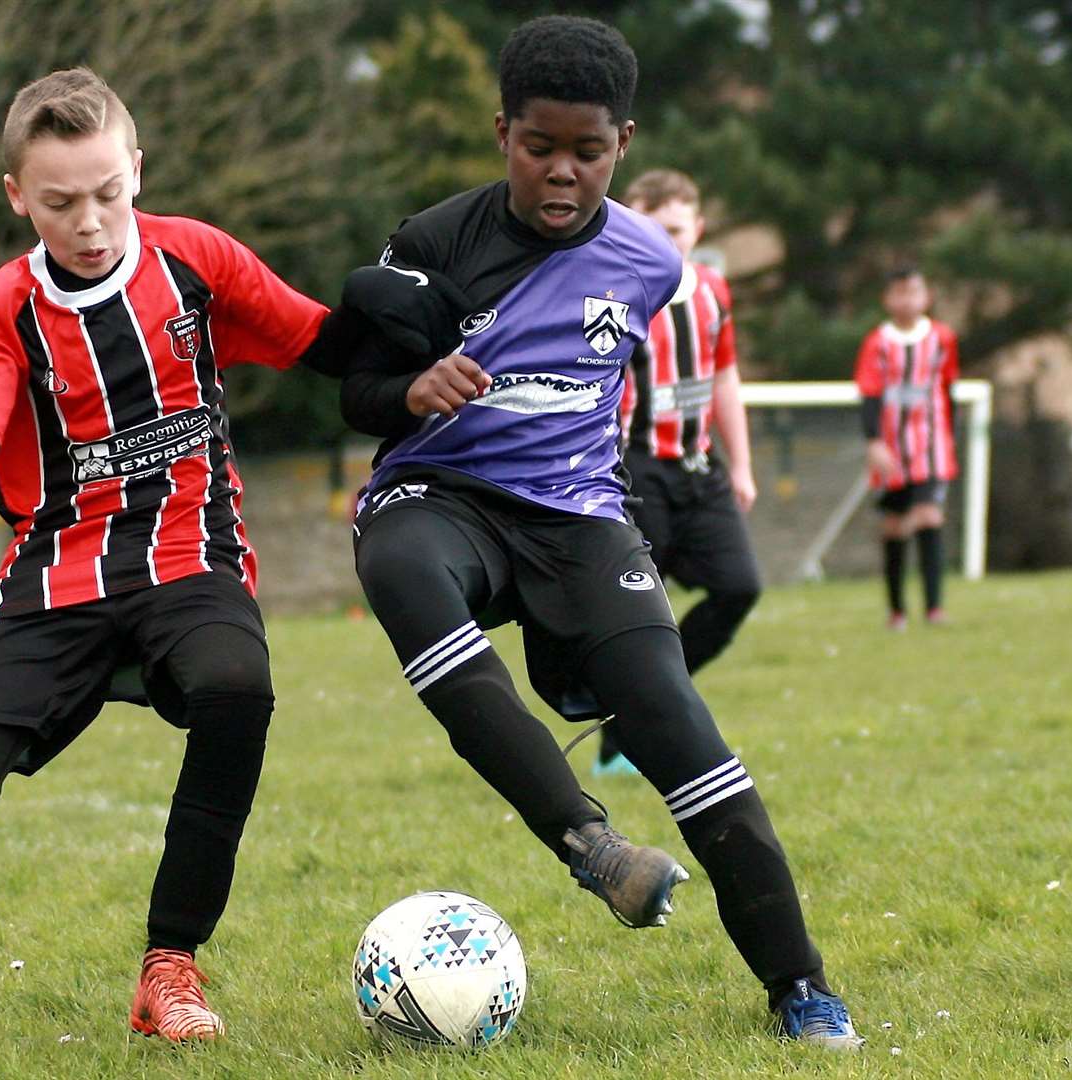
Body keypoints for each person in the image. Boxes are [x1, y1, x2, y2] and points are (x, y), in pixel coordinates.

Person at [339, 15, 863, 1049]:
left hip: (581, 520)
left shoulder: (652, 264)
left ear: (624, 140)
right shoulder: (434, 240)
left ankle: (800, 987)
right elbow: (355, 393)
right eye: (540, 148)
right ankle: (588, 843)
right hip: (445, 500)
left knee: (681, 732)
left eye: (587, 150)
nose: (562, 173)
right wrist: (410, 389)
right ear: (502, 133)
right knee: (397, 562)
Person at [0, 66, 369, 1049]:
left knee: (237, 687)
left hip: (190, 556)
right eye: (59, 202)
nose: (89, 220)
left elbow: (318, 341)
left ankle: (169, 968)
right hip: (54, 577)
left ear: (135, 169)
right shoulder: (4, 306)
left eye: (107, 193)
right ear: (18, 197)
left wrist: (397, 309)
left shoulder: (196, 259)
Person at [594, 168, 762, 777]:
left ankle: (643, 706)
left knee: (740, 587)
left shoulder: (715, 291)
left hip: (699, 468)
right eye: (652, 227)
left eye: (676, 229)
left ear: (699, 228)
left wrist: (740, 463)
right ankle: (623, 741)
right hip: (635, 472)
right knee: (644, 614)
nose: (667, 240)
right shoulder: (616, 290)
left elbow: (724, 378)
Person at [854, 266, 960, 630]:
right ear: (888, 299)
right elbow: (869, 395)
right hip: (892, 449)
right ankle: (897, 610)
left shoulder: (942, 338)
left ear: (926, 296)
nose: (908, 300)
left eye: (914, 291)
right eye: (900, 292)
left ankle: (934, 608)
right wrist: (874, 441)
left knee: (930, 515)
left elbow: (948, 390)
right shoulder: (877, 343)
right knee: (895, 526)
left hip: (931, 446)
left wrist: (951, 436)